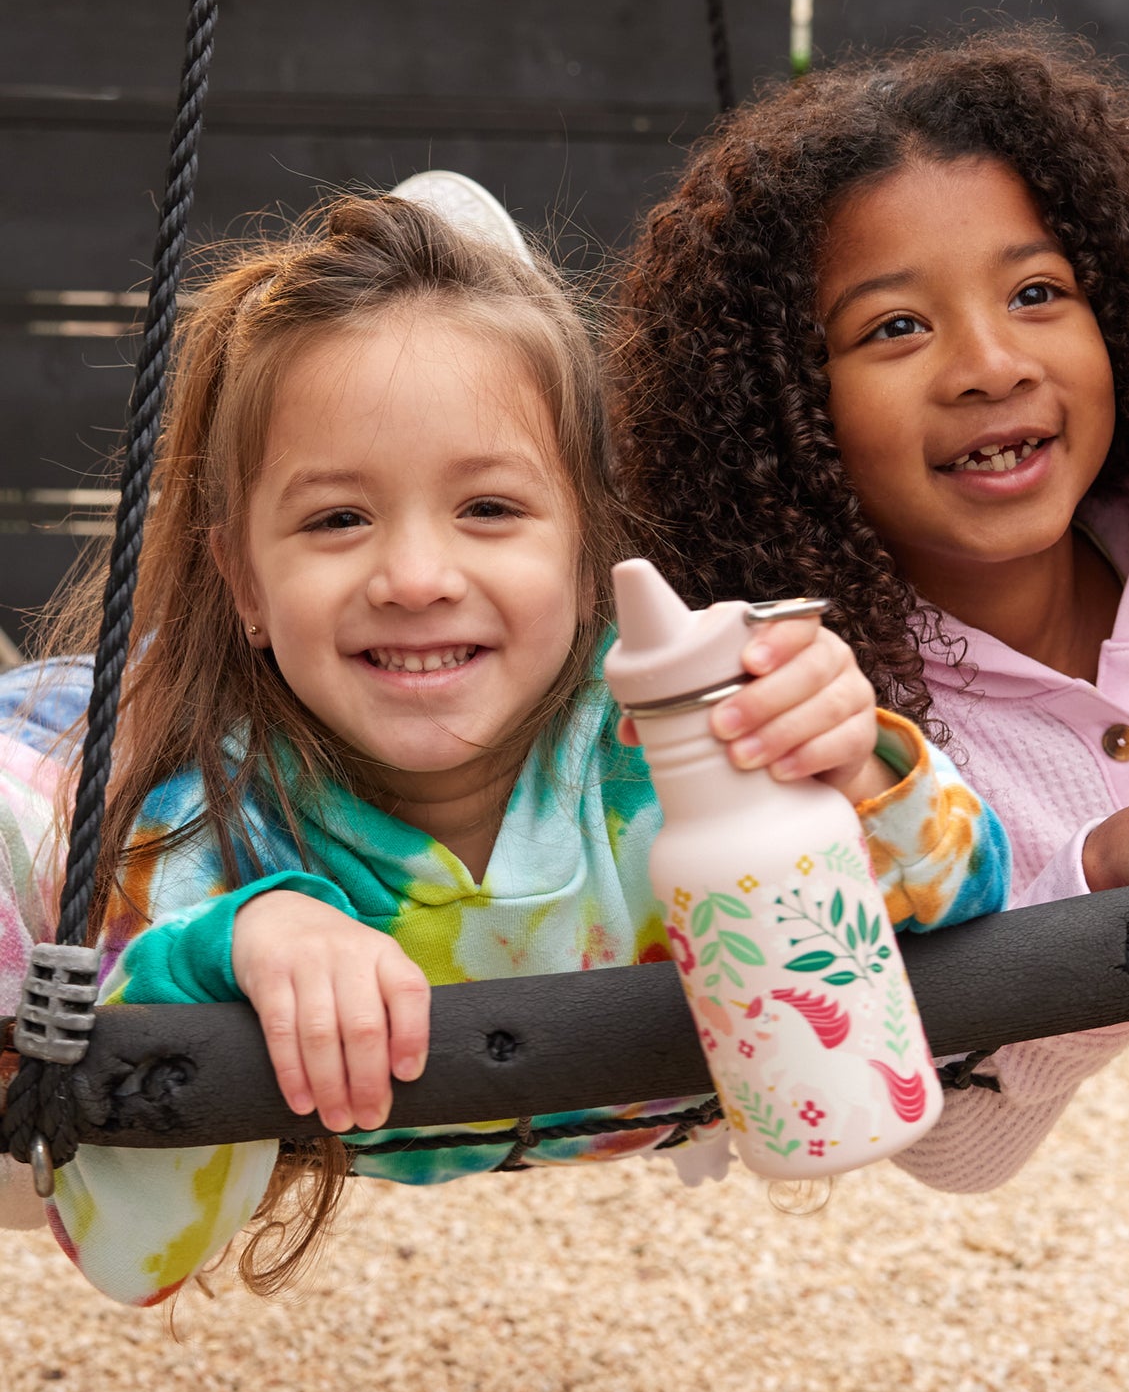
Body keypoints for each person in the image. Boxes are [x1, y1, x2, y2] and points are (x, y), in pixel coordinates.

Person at [0, 185, 1007, 1306]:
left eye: (487, 508)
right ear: (243, 580)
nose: (416, 577)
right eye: (337, 519)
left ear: (586, 547)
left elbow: (973, 903)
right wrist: (228, 948)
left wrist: (855, 765)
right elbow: (134, 1246)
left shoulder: (672, 748)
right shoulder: (206, 821)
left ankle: (445, 237)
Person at [611, 29, 1129, 1192]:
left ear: (1124, 319)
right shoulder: (822, 699)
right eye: (895, 326)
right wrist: (1111, 857)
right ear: (782, 410)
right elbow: (941, 1118)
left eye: (1037, 292)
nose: (989, 364)